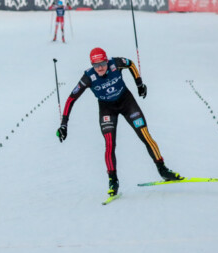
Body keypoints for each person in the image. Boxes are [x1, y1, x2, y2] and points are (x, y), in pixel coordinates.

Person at [56, 47, 183, 196]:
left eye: (102, 63)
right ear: (92, 65)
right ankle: (113, 180)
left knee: (145, 135)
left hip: (127, 102)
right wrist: (63, 124)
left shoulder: (115, 64)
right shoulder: (88, 77)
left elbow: (131, 64)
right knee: (110, 144)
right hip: (107, 109)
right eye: (96, 65)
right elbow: (71, 99)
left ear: (107, 61)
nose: (100, 68)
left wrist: (139, 84)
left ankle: (162, 169)